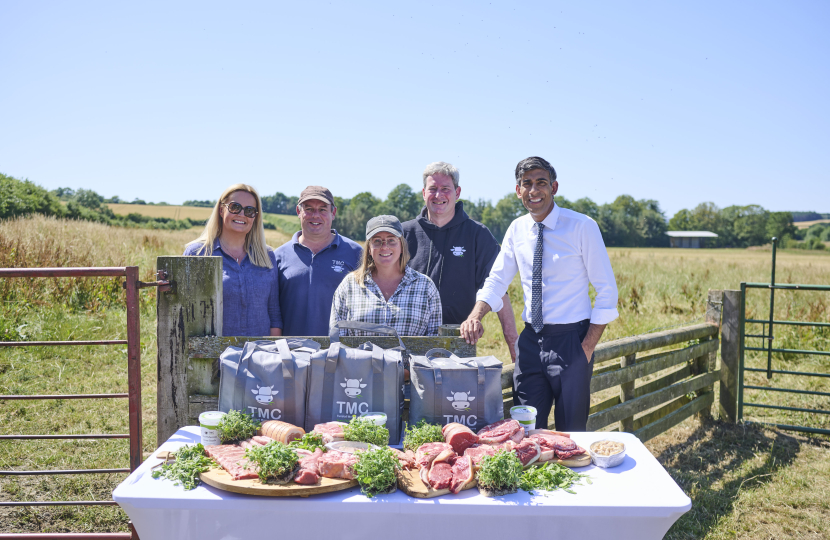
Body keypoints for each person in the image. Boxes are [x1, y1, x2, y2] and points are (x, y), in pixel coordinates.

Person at [460, 157, 618, 432]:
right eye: (527, 184)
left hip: (572, 341)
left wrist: (586, 348)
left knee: (571, 431)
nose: (534, 190)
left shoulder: (582, 226)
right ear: (518, 191)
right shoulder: (517, 229)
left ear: (554, 187)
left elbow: (607, 290)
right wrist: (476, 314)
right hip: (531, 342)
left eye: (541, 183)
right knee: (525, 429)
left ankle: (571, 475)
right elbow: (497, 279)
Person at [402, 161, 520, 360]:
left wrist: (513, 346)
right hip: (409, 340)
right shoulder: (404, 234)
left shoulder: (477, 235)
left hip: (458, 342)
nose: (438, 195)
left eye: (445, 189)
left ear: (457, 192)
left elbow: (499, 288)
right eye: (433, 189)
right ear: (423, 193)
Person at [183, 184, 282, 337]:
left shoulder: (266, 256)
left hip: (259, 355)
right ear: (221, 210)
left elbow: (274, 313)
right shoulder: (198, 253)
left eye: (249, 210)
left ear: (255, 217)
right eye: (235, 207)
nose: (242, 214)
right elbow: (183, 311)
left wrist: (272, 353)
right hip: (215, 357)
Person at [330, 215, 442, 337]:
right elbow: (337, 339)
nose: (384, 247)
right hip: (361, 356)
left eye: (391, 240)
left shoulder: (425, 286)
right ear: (369, 248)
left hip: (410, 357)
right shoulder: (350, 284)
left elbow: (435, 339)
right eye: (377, 241)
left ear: (401, 246)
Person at [273, 186, 362, 336]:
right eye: (309, 209)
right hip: (291, 352)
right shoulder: (279, 256)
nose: (315, 215)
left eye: (322, 209)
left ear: (333, 213)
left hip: (340, 352)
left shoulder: (355, 253)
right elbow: (273, 311)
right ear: (298, 212)